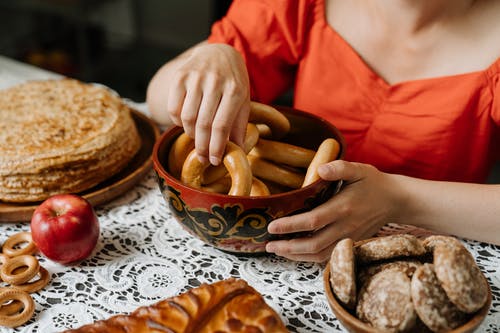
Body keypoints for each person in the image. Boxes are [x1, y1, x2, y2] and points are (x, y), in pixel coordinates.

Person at [147, 0, 500, 262]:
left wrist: (399, 198)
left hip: (413, 262)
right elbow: (158, 99)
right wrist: (215, 55)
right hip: (277, 254)